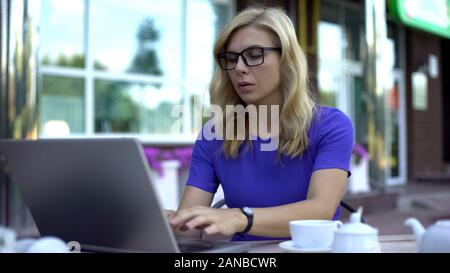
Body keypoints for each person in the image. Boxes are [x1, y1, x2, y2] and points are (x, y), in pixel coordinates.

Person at [168, 6, 354, 241]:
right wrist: (168, 221)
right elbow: (188, 233)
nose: (239, 68)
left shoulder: (331, 125)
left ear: (286, 59)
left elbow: (320, 212)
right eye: (231, 58)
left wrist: (240, 218)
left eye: (254, 55)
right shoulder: (214, 134)